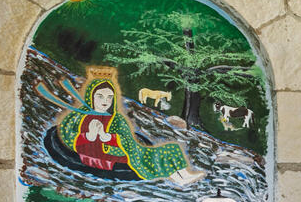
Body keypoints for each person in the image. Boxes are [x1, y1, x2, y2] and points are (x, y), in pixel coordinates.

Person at [57, 78, 206, 186]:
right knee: (153, 156)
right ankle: (177, 177)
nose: (105, 101)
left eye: (109, 97)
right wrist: (89, 136)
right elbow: (68, 135)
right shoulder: (80, 116)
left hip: (123, 148)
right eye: (100, 96)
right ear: (91, 97)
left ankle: (183, 175)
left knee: (171, 148)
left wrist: (107, 136)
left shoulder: (116, 118)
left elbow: (126, 138)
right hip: (100, 154)